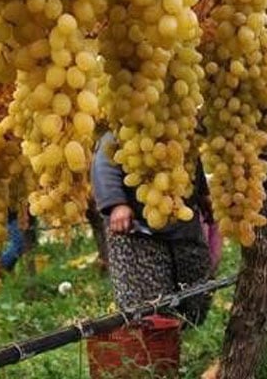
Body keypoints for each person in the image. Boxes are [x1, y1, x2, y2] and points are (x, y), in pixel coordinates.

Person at [91, 131, 213, 327]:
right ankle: (153, 341)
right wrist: (116, 204)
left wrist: (203, 195)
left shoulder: (178, 131)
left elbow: (191, 164)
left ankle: (184, 331)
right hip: (138, 232)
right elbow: (104, 165)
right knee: (146, 305)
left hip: (183, 229)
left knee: (197, 291)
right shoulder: (120, 133)